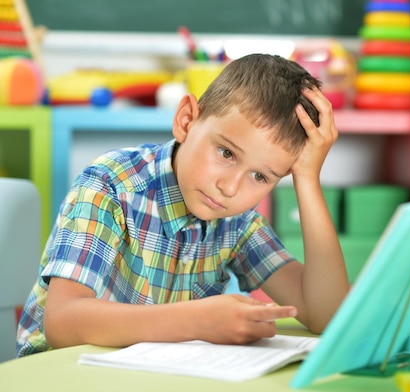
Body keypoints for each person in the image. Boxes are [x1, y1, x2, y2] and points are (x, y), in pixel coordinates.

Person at [16, 53, 350, 357]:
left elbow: (326, 314)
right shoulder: (110, 186)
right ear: (187, 120)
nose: (230, 187)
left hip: (152, 381)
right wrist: (196, 321)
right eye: (226, 153)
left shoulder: (238, 221)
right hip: (65, 375)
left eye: (261, 177)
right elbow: (62, 322)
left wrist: (307, 178)